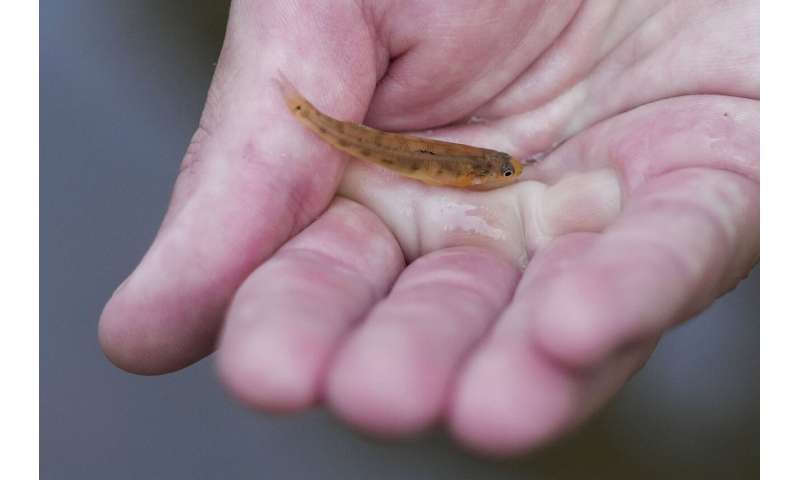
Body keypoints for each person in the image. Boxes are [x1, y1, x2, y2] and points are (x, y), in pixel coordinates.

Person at [98, 0, 759, 456]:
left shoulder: (487, 168)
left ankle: (308, 114)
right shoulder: (479, 170)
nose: (507, 174)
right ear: (488, 176)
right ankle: (305, 113)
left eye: (506, 172)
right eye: (504, 173)